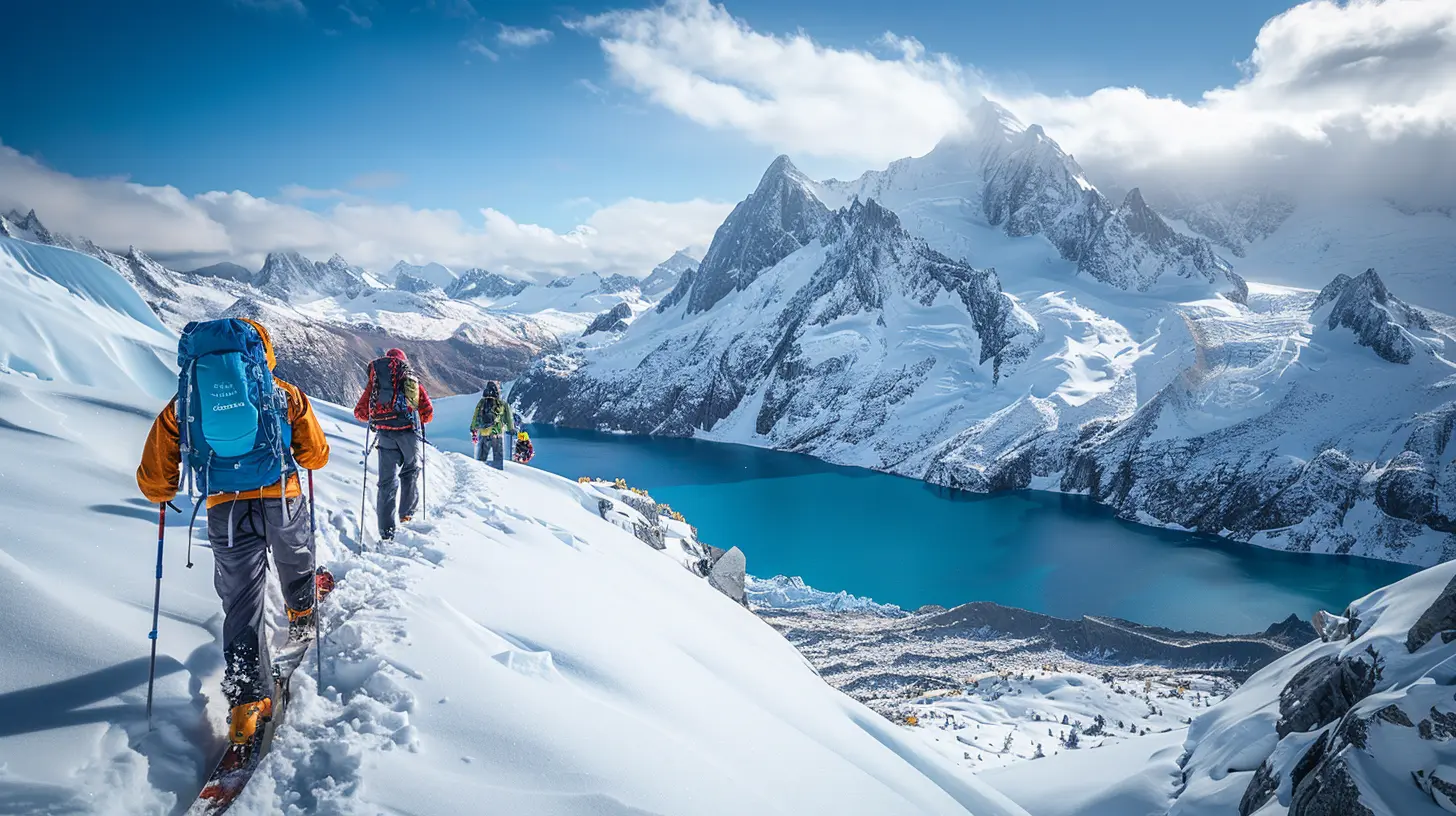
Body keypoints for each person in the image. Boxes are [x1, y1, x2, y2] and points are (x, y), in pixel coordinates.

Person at [136, 318, 331, 749]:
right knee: (295, 555)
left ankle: (246, 701)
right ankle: (301, 613)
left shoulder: (188, 401)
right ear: (260, 353)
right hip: (282, 494)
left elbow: (154, 478)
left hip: (224, 506)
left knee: (240, 598)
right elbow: (315, 455)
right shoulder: (281, 393)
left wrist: (162, 489)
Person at [354, 348, 433, 540]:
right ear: (403, 361)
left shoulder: (376, 381)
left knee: (386, 483)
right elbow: (427, 413)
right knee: (411, 471)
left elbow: (360, 412)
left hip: (385, 435)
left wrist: (381, 417)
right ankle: (407, 515)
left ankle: (386, 532)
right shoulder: (410, 378)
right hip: (408, 434)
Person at [470, 380, 515, 470]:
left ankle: (480, 474)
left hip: (483, 433)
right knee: (498, 458)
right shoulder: (503, 404)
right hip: (496, 434)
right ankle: (498, 476)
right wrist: (511, 429)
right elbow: (508, 419)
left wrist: (473, 428)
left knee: (482, 458)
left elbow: (476, 415)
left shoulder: (482, 402)